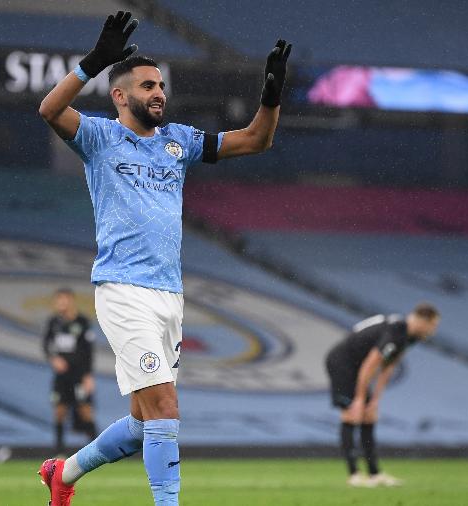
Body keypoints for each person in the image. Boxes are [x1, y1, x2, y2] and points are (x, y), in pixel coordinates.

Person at [35, 10, 291, 506]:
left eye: (161, 86)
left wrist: (271, 94)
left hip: (169, 294)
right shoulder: (99, 137)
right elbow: (49, 110)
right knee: (166, 408)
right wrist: (92, 63)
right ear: (120, 95)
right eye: (147, 85)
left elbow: (258, 139)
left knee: (142, 423)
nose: (158, 93)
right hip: (123, 289)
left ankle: (63, 474)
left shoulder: (179, 141)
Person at [325, 303, 440, 487]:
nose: (433, 331)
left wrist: (376, 398)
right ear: (421, 321)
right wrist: (360, 398)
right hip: (343, 363)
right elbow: (371, 363)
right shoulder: (396, 331)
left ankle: (374, 474)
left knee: (369, 415)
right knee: (352, 413)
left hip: (357, 367)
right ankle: (354, 475)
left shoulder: (410, 336)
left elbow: (389, 365)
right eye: (432, 325)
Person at [42, 288, 97, 455]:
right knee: (59, 411)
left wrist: (88, 375)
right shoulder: (53, 322)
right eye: (58, 300)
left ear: (71, 301)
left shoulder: (82, 322)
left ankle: (97, 451)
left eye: (64, 300)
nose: (61, 304)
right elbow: (45, 345)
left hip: (79, 375)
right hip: (61, 377)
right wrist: (53, 358)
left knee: (85, 411)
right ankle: (59, 452)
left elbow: (89, 351)